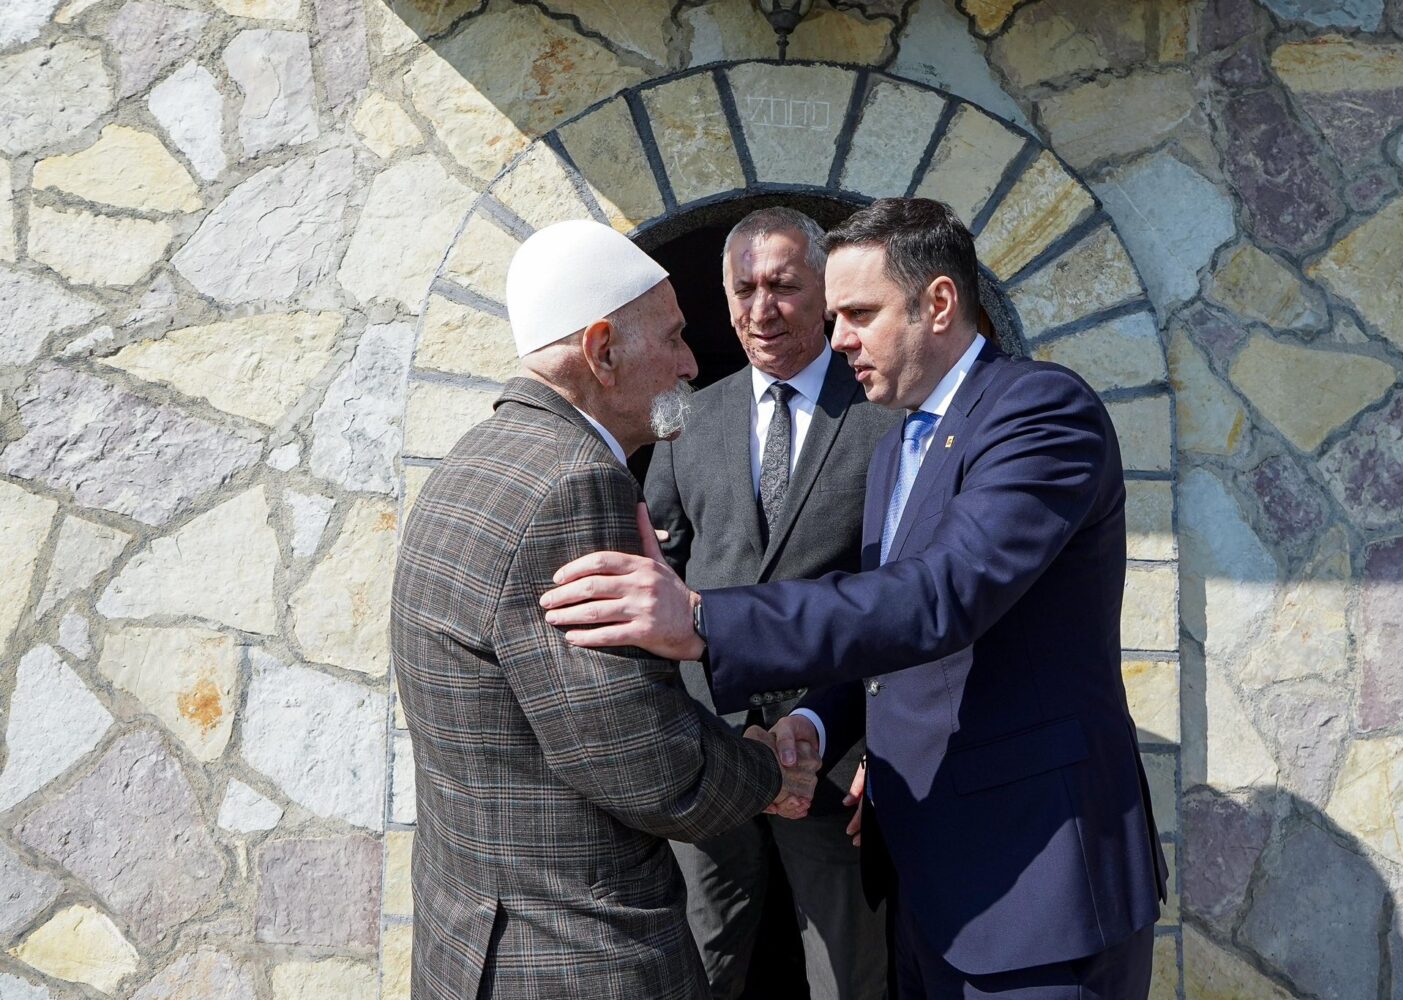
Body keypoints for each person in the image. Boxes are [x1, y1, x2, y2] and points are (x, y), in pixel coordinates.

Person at [539, 199, 1169, 999]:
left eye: (859, 314)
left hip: (1035, 881)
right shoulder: (900, 440)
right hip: (924, 872)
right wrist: (815, 722)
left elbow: (937, 598)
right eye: (835, 316)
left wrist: (701, 620)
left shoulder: (1039, 413)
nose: (837, 339)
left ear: (938, 303)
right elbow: (891, 638)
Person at [390, 218, 819, 1000]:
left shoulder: (477, 458)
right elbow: (643, 765)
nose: (692, 363)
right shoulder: (574, 484)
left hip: (475, 944)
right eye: (674, 336)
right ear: (601, 350)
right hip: (572, 956)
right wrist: (768, 772)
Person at [644, 207, 897, 1000]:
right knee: (699, 967)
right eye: (744, 289)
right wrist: (692, 731)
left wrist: (876, 741)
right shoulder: (687, 417)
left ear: (824, 290)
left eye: (783, 286)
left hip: (837, 759)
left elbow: (910, 596)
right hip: (709, 753)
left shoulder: (885, 415)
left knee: (847, 978)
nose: (762, 309)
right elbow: (661, 572)